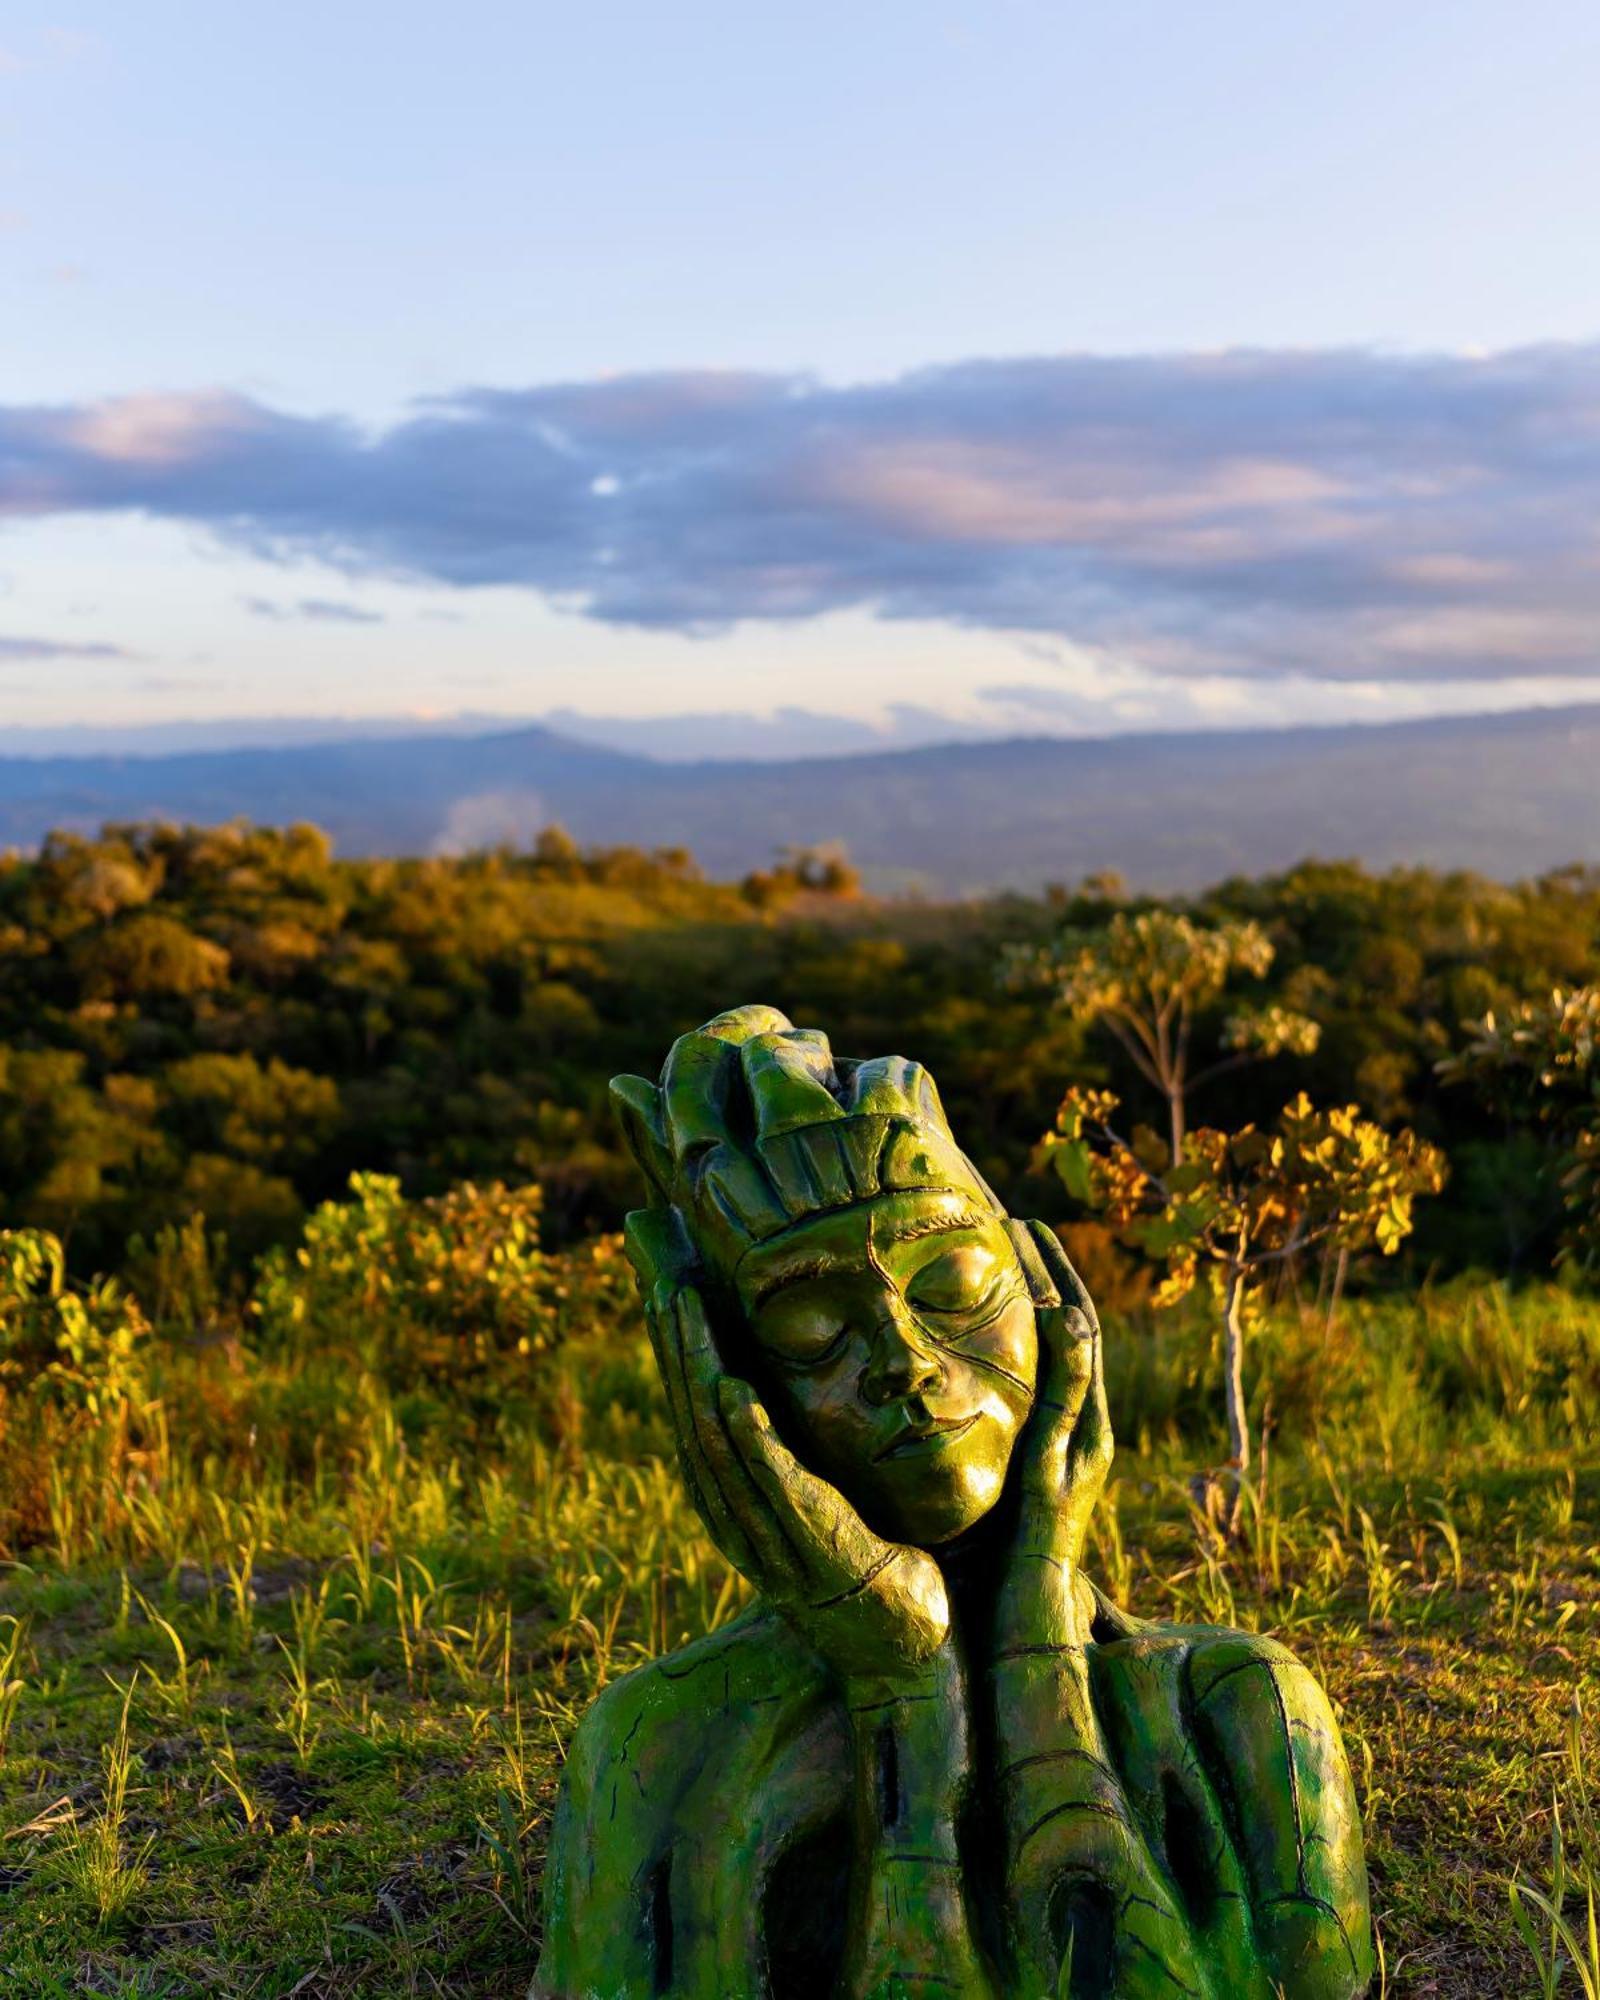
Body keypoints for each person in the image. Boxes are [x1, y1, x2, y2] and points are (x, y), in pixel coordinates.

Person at [534, 1007, 1372, 2000]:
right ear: (722, 1368)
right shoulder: (656, 1748)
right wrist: (906, 1697)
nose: (903, 1357)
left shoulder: (1243, 1709)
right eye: (810, 1327)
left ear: (1044, 1289)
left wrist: (1039, 1635)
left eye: (954, 1282)